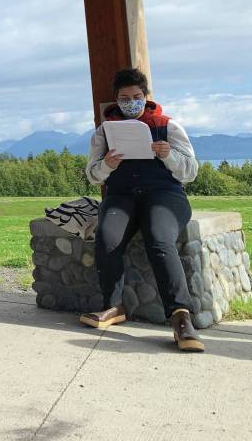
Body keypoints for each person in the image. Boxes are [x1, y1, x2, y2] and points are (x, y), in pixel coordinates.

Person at [80, 67, 204, 352]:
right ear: (117, 98)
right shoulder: (105, 130)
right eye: (124, 97)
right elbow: (92, 174)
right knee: (108, 237)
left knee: (159, 238)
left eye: (136, 96)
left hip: (165, 194)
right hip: (122, 195)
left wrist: (168, 155)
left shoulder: (167, 125)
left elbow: (191, 172)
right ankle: (113, 307)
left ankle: (180, 316)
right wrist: (107, 165)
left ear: (146, 96)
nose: (130, 102)